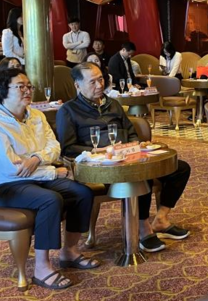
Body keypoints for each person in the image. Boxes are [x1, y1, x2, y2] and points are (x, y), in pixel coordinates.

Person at [0, 69, 99, 290]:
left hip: (36, 177)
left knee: (82, 192)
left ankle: (69, 252)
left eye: (29, 86)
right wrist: (52, 172)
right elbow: (13, 168)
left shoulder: (35, 115)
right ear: (3, 90)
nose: (27, 90)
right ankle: (42, 268)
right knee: (49, 200)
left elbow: (54, 147)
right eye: (20, 86)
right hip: (5, 186)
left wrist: (36, 158)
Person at [56, 63, 192, 253]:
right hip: (99, 167)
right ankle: (143, 228)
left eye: (101, 79)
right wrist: (99, 150)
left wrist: (137, 145)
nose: (99, 85)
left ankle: (161, 219)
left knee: (180, 168)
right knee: (139, 173)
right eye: (92, 82)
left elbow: (130, 131)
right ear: (77, 85)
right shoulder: (68, 110)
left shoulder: (113, 104)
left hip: (127, 157)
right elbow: (68, 149)